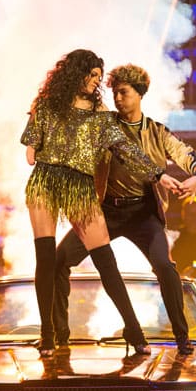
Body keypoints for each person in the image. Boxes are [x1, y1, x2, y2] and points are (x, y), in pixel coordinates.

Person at [21, 50, 181, 358]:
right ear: (77, 73)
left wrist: (159, 175)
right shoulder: (45, 105)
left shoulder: (99, 113)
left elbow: (125, 149)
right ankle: (48, 335)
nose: (97, 81)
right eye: (93, 75)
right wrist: (44, 145)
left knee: (105, 259)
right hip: (45, 182)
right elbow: (30, 152)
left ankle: (134, 330)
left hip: (80, 186)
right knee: (47, 259)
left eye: (99, 76)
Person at [53, 62, 196, 355]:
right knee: (58, 262)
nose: (118, 98)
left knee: (165, 267)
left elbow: (191, 156)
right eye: (114, 93)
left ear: (139, 93)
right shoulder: (105, 124)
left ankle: (182, 336)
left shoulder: (158, 133)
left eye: (123, 92)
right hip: (105, 212)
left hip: (143, 214)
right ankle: (61, 336)